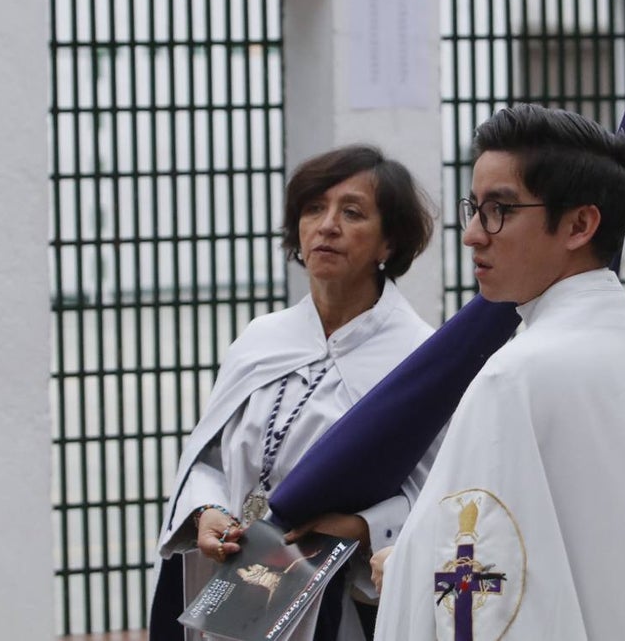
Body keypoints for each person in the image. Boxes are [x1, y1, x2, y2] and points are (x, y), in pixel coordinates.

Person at [372, 104, 625, 639]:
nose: (473, 235)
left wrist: (401, 569)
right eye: (474, 208)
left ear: (580, 224)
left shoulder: (516, 375)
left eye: (500, 210)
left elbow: (492, 590)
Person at [153, 144, 436, 641]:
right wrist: (206, 511)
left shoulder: (419, 357)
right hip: (235, 586)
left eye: (352, 212)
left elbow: (443, 492)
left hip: (343, 605)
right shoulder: (261, 339)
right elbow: (208, 457)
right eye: (313, 209)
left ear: (388, 243)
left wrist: (365, 527)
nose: (327, 226)